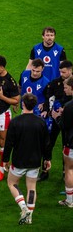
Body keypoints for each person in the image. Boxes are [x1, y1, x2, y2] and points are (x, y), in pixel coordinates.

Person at [3, 93, 51, 225]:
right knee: (31, 187)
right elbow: (46, 143)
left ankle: (23, 207)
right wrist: (47, 159)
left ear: (22, 104)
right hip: (35, 161)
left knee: (12, 183)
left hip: (19, 161)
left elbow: (9, 143)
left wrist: (5, 159)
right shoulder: (41, 122)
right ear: (34, 105)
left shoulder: (15, 122)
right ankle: (29, 217)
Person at [39, 60, 73, 181]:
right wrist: (47, 109)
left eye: (63, 72)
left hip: (68, 120)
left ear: (70, 71)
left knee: (66, 145)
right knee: (48, 143)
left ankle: (66, 172)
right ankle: (45, 171)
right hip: (54, 118)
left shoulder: (71, 85)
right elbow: (48, 96)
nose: (61, 74)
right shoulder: (55, 82)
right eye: (60, 71)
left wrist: (65, 110)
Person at [52, 76, 73, 208]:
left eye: (66, 87)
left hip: (71, 144)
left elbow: (64, 126)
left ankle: (70, 200)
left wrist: (57, 117)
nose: (64, 90)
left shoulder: (69, 106)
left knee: (69, 170)